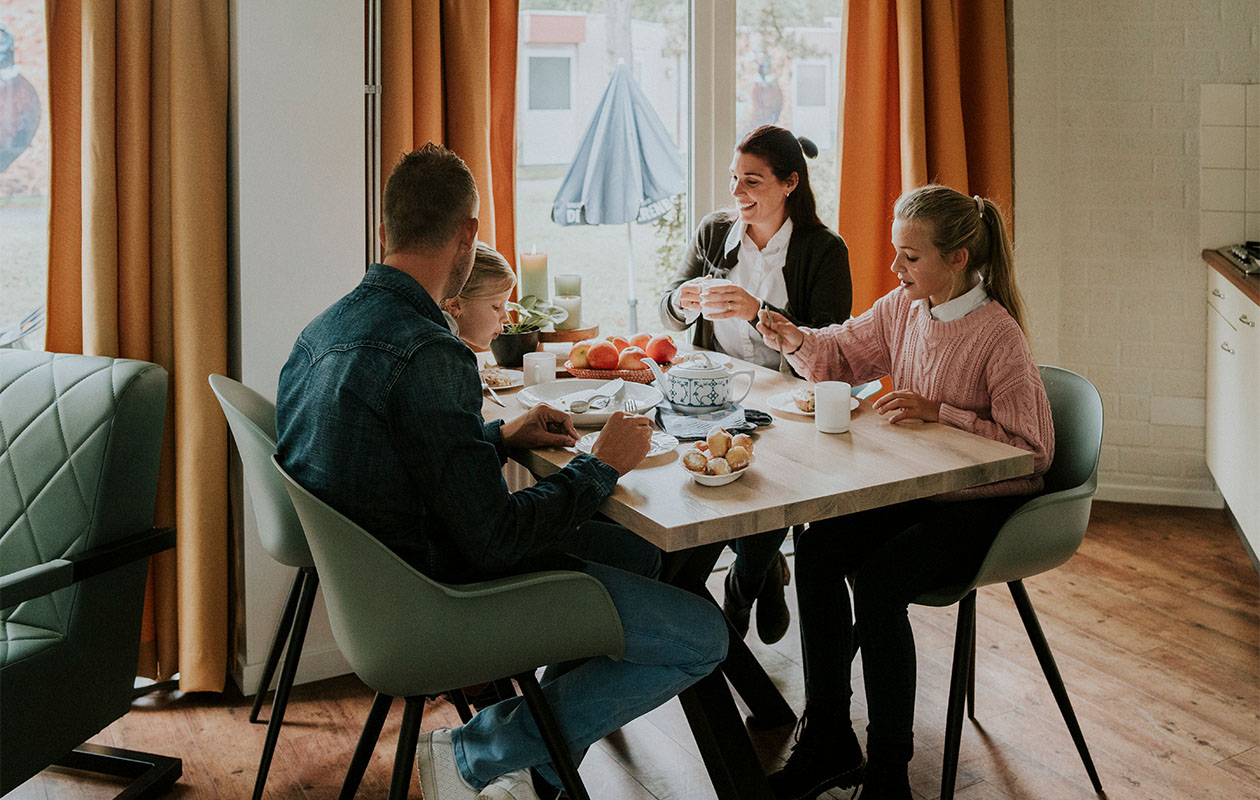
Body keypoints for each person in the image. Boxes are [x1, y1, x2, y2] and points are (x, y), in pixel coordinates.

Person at [276, 143, 728, 800]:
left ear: (385, 229)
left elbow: (403, 463)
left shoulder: (319, 332)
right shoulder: (430, 353)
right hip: (442, 602)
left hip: (374, 593)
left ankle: (543, 759)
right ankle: (480, 750)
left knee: (639, 552)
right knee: (703, 636)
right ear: (468, 235)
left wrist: (499, 435)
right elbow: (496, 540)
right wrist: (599, 466)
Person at [755, 185, 1055, 800]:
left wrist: (942, 413)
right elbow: (840, 354)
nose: (895, 267)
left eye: (910, 257)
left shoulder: (998, 336)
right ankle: (830, 738)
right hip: (918, 493)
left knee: (880, 583)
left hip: (987, 506)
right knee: (817, 552)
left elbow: (1033, 452)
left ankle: (890, 771)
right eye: (897, 253)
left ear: (958, 258)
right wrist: (794, 339)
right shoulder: (903, 308)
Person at [657, 124, 852, 646]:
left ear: (790, 183)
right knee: (719, 472)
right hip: (716, 397)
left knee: (771, 479)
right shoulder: (714, 233)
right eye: (733, 178)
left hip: (788, 404)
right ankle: (765, 572)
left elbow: (833, 345)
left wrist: (757, 310)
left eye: (752, 181)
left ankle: (741, 589)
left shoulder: (823, 250)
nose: (737, 192)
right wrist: (682, 300)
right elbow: (668, 307)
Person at [439, 242, 516, 349]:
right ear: (455, 305)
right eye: (496, 307)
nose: (505, 317)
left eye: (505, 306)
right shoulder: (441, 347)